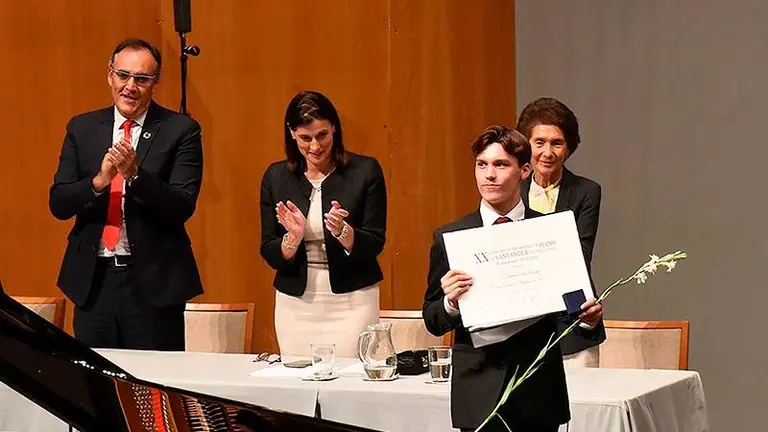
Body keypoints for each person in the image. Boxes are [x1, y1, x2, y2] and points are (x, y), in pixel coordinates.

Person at [422, 125, 603, 432]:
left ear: (524, 171)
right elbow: (432, 319)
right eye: (482, 165)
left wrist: (588, 319)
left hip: (538, 392)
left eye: (501, 164)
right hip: (478, 390)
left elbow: (575, 307)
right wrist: (450, 303)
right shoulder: (451, 237)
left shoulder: (552, 231)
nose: (489, 175)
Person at [49, 39, 204, 351]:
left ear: (156, 81)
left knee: (155, 379)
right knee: (95, 378)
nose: (130, 86)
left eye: (142, 78)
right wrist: (99, 181)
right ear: (110, 75)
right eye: (123, 75)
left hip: (152, 284)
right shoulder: (82, 128)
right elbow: (59, 203)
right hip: (94, 283)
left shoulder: (181, 129)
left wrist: (134, 175)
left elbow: (182, 205)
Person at [260, 91, 387, 357]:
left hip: (353, 300)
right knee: (296, 376)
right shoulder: (276, 176)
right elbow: (269, 248)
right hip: (296, 304)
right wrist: (292, 239)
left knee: (349, 376)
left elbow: (375, 242)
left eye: (322, 135)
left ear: (334, 129)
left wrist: (343, 232)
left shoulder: (365, 171)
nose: (315, 146)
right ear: (292, 133)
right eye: (305, 138)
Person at [516, 97, 606, 368]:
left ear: (568, 148)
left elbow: (580, 255)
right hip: (519, 325)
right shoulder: (510, 190)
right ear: (526, 145)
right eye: (539, 142)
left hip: (573, 320)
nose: (548, 152)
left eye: (557, 143)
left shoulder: (586, 191)